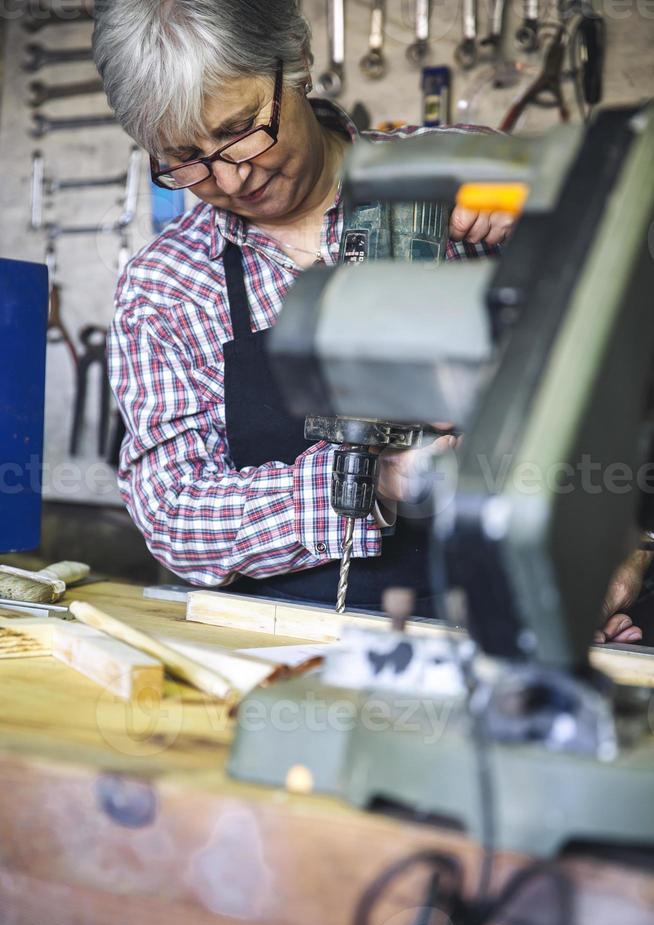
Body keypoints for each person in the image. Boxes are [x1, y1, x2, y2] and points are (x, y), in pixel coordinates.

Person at [94, 0, 642, 636]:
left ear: (296, 64)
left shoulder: (468, 170)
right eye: (185, 157)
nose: (232, 175)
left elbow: (629, 369)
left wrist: (556, 229)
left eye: (242, 128)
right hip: (287, 646)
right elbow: (173, 515)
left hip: (514, 625)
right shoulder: (165, 285)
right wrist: (369, 484)